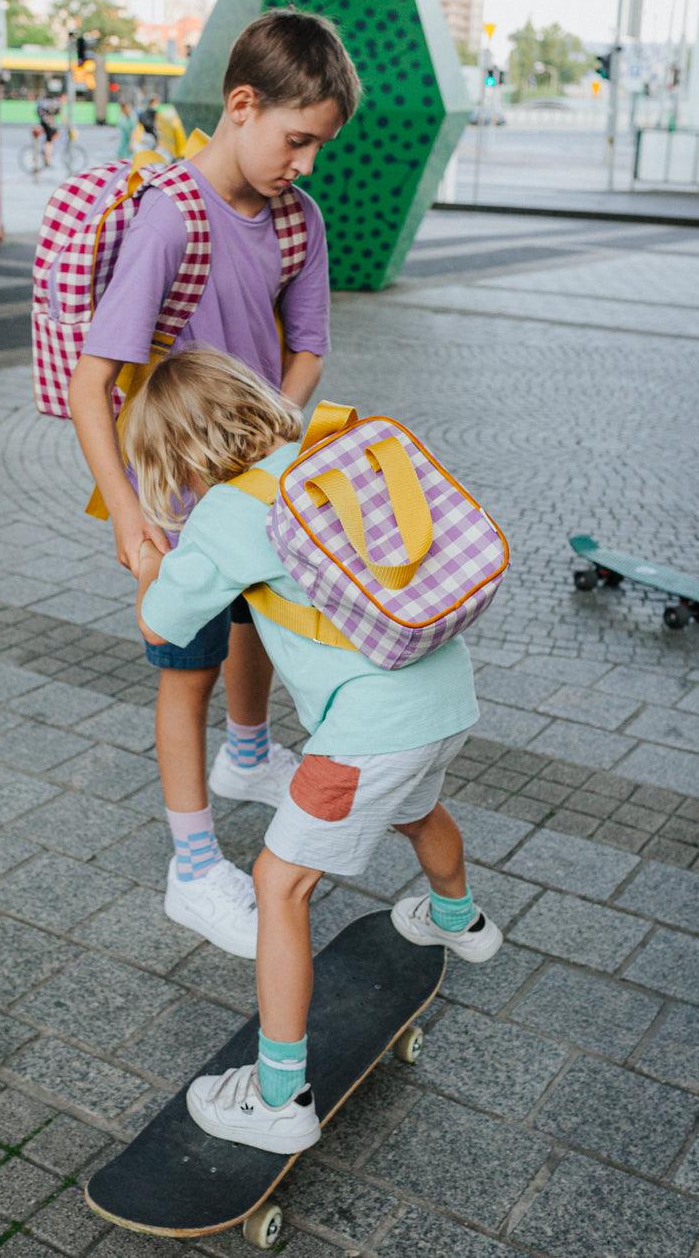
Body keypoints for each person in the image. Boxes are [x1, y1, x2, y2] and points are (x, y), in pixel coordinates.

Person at [125, 347, 501, 1156]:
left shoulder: (224, 516)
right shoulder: (323, 455)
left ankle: (277, 1097)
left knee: (279, 885)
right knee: (417, 806)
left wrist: (151, 559)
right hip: (446, 696)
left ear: (175, 457)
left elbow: (162, 622)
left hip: (369, 732)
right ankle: (459, 921)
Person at [68, 10, 362, 960]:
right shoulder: (171, 215)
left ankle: (248, 757)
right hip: (175, 497)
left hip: (257, 479)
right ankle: (193, 869)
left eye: (318, 145)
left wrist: (269, 438)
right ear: (243, 105)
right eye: (298, 140)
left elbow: (309, 346)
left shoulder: (296, 218)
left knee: (258, 621)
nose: (306, 164)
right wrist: (128, 515)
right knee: (182, 668)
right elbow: (93, 383)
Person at [35, 85, 61, 165]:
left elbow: (38, 111)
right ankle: (47, 156)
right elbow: (58, 111)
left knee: (53, 135)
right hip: (48, 122)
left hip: (45, 122)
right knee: (49, 140)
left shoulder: (43, 100)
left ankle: (45, 149)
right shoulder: (55, 101)